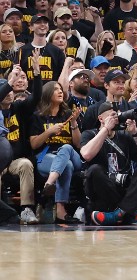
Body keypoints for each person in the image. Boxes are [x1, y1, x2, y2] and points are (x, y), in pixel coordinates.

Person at [81, 103, 137, 225]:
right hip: (102, 189)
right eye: (111, 115)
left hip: (123, 187)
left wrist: (135, 133)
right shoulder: (89, 134)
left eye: (117, 115)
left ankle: (118, 214)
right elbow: (86, 154)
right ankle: (130, 213)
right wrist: (105, 129)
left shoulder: (125, 136)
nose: (115, 118)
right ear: (100, 118)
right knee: (94, 170)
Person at [29, 81, 82, 223]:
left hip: (72, 155)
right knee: (67, 166)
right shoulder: (38, 117)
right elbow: (34, 144)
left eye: (61, 89)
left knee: (67, 148)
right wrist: (49, 132)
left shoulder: (68, 114)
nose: (60, 92)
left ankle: (49, 184)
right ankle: (60, 211)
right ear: (47, 94)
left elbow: (78, 143)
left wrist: (74, 123)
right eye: (55, 89)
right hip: (46, 156)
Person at [0, 64, 41, 224]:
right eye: (6, 90)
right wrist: (9, 82)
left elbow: (36, 97)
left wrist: (37, 76)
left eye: (10, 90)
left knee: (25, 164)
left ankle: (26, 210)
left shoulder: (18, 108)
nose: (9, 93)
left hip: (13, 161)